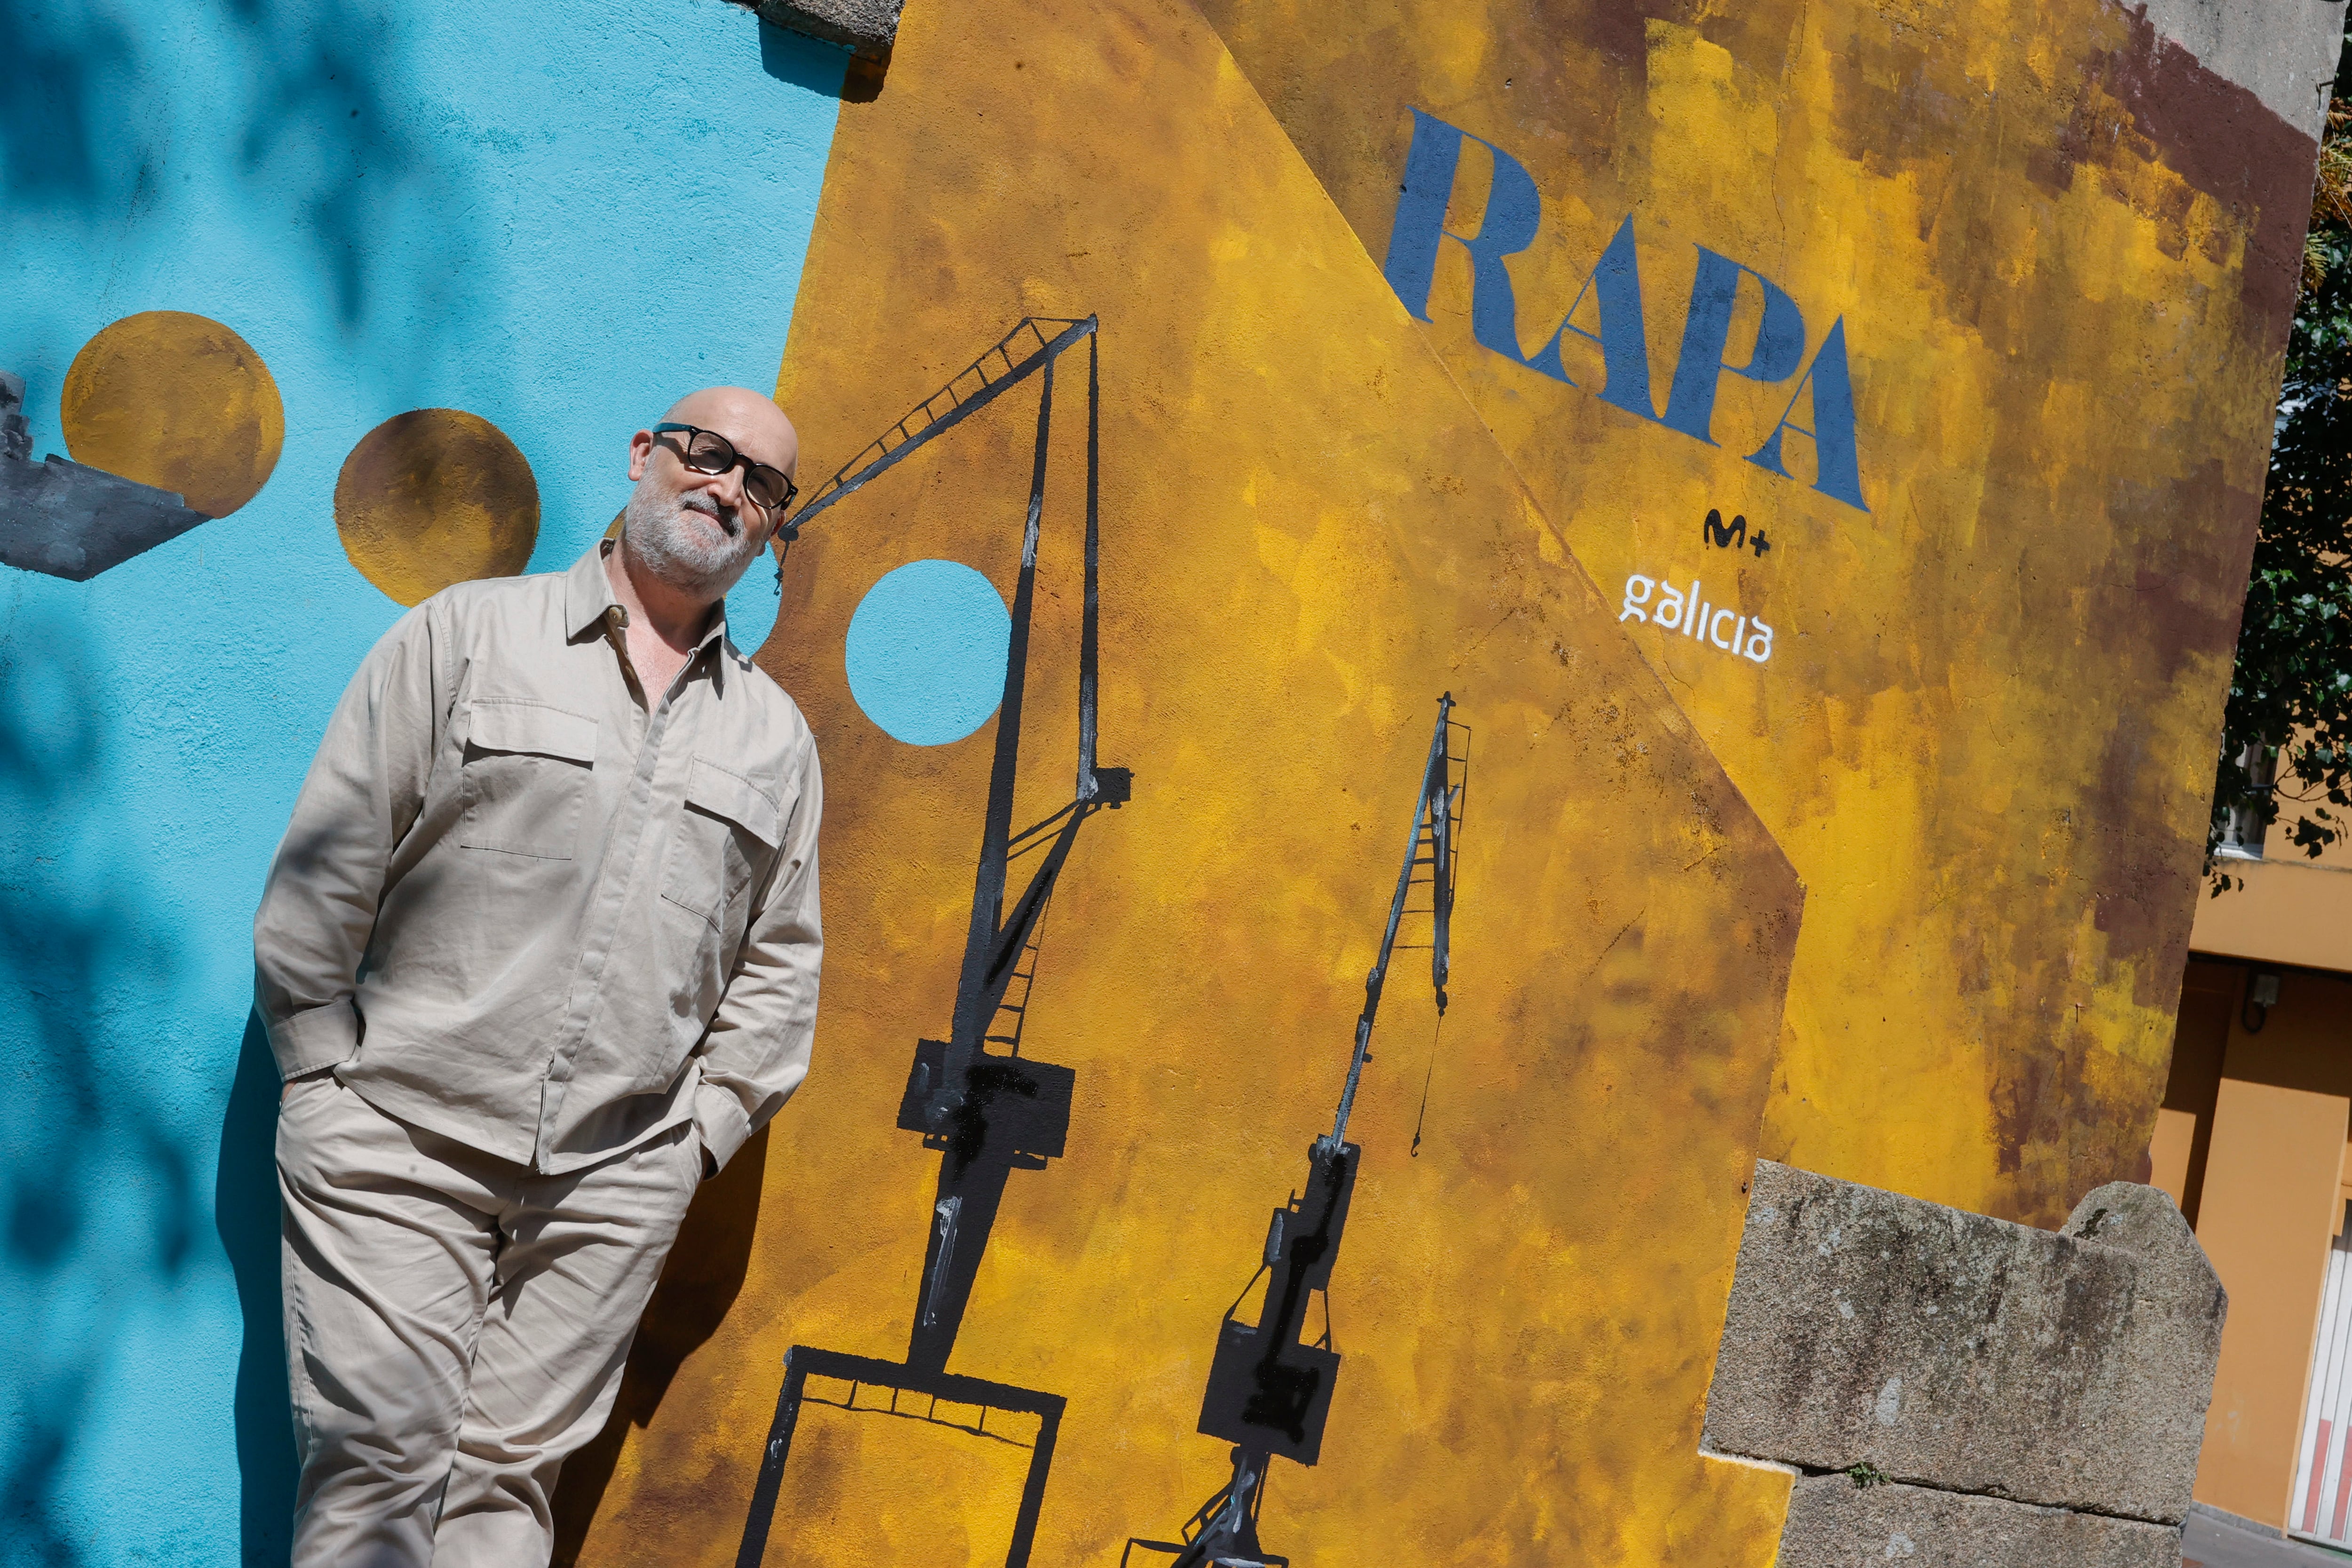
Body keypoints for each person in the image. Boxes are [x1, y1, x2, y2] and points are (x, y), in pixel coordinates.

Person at [251, 387, 822, 1567]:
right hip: (396, 1146)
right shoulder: (469, 634)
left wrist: (689, 1146)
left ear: (772, 525)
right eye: (710, 454)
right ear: (644, 455)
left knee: (505, 1497)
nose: (729, 489)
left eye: (764, 484)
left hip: (609, 1188)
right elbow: (331, 858)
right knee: (378, 1467)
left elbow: (777, 968)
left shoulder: (775, 738)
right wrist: (319, 1075)